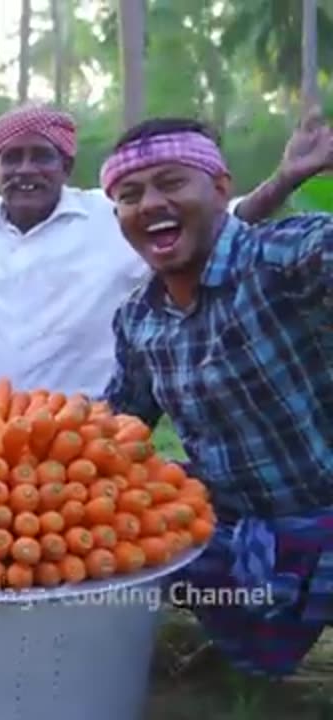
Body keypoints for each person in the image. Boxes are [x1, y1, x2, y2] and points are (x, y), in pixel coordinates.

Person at [0, 104, 333, 404]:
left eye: (42, 157)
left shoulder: (118, 218)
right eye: (12, 158)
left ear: (65, 165)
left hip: (84, 439)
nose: (26, 169)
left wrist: (285, 179)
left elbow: (225, 218)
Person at [101, 116, 332, 678]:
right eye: (130, 195)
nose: (150, 203)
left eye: (172, 183)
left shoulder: (282, 258)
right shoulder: (138, 319)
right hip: (238, 523)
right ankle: (252, 633)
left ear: (221, 188)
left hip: (323, 515)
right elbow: (113, 429)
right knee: (121, 520)